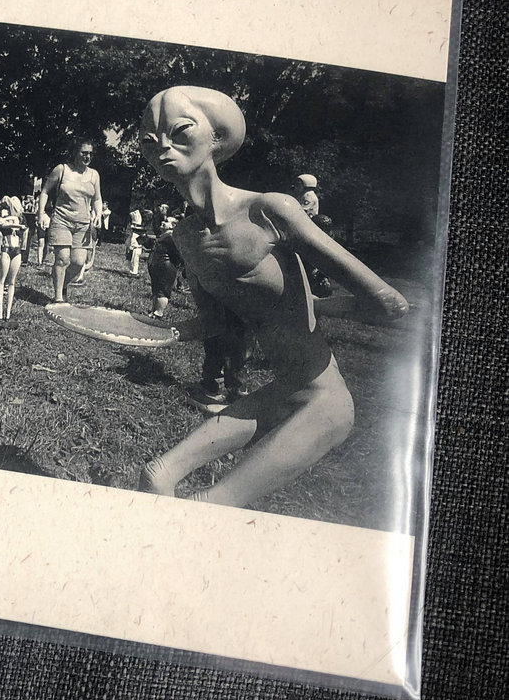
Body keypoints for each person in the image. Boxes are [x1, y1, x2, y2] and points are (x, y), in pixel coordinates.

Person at [137, 85, 409, 508]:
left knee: (207, 503)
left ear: (216, 139)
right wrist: (156, 331)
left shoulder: (270, 211)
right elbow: (216, 323)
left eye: (180, 131)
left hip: (324, 400)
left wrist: (313, 306)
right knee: (158, 476)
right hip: (287, 390)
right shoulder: (186, 235)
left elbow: (389, 303)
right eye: (149, 141)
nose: (163, 148)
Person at [38, 138, 102, 303]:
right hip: (62, 220)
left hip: (83, 224)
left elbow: (97, 199)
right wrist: (41, 213)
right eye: (84, 153)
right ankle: (58, 297)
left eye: (90, 154)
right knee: (62, 258)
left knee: (78, 262)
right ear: (75, 152)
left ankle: (63, 284)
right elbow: (45, 191)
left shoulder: (94, 175)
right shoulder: (62, 170)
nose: (88, 157)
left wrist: (98, 214)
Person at [0, 196, 25, 325]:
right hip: (6, 250)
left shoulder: (19, 218)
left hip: (16, 251)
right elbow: (0, 223)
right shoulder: (3, 217)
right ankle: (0, 312)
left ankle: (8, 314)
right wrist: (13, 224)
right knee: (2, 280)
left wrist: (12, 224)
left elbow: (22, 227)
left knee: (12, 282)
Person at [147, 214, 183, 318]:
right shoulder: (164, 236)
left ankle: (159, 313)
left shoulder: (172, 237)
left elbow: (178, 254)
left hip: (166, 268)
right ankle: (153, 310)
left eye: (166, 221)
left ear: (173, 226)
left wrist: (177, 264)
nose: (163, 222)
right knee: (156, 290)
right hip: (158, 266)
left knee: (162, 291)